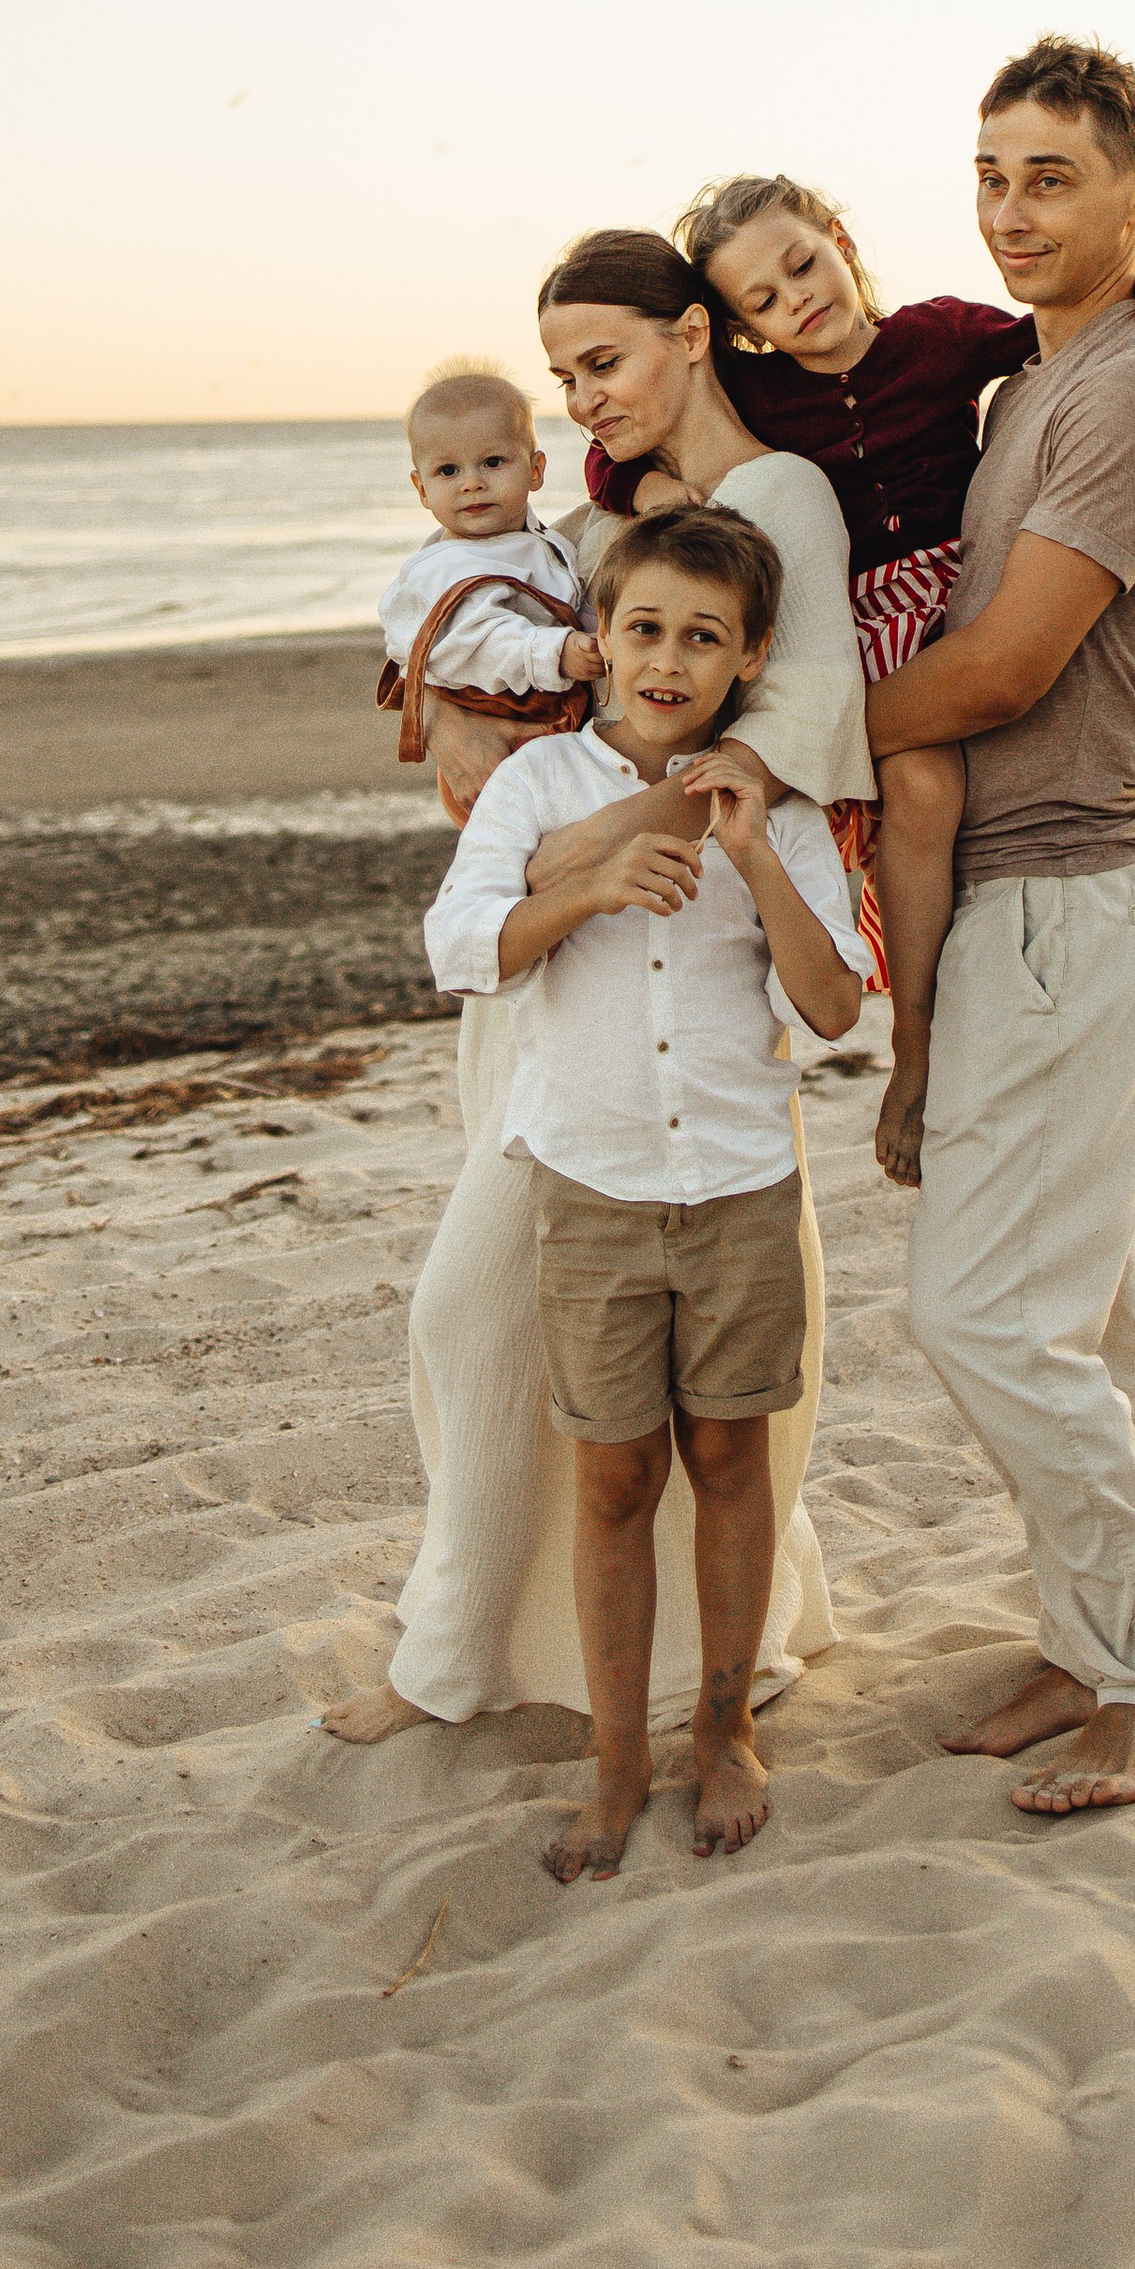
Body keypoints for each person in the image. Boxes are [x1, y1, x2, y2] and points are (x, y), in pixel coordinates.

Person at [323, 231, 867, 1752]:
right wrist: (440, 717)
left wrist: (569, 843)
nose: (583, 398)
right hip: (547, 991)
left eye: (605, 362)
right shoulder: (598, 516)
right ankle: (498, 1650)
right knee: (531, 1345)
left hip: (692, 976)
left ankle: (490, 1657)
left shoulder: (776, 500)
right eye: (564, 375)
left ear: (693, 337)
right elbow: (493, 661)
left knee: (493, 1322)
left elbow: (788, 737)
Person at [863, 37, 1135, 1814]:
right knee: (1085, 1318)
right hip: (1031, 893)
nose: (1011, 211)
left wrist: (780, 740)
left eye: (1052, 178)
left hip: (1066, 892)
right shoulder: (1041, 379)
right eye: (991, 176)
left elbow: (1010, 667)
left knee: (985, 1317)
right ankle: (1095, 1642)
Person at [584, 175, 1135, 1150]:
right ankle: (913, 1042)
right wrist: (646, 490)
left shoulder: (937, 335)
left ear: (838, 241)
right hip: (874, 616)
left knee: (1134, 778)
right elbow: (618, 449)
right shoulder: (759, 391)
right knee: (921, 787)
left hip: (971, 591)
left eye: (803, 266)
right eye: (764, 303)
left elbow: (1063, 335)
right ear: (739, 329)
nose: (797, 302)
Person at [433, 504, 867, 1877]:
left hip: (739, 1185)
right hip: (593, 1188)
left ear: (749, 659)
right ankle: (617, 1763)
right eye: (644, 631)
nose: (668, 661)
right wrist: (593, 885)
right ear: (603, 640)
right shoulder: (540, 787)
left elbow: (833, 1006)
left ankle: (725, 1729)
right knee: (614, 1479)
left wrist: (751, 854)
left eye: (702, 638)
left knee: (731, 1462)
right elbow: (460, 947)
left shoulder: (779, 812)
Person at [376, 363, 605, 822]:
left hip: (547, 723)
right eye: (448, 470)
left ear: (535, 469)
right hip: (498, 736)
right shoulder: (444, 568)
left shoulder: (540, 541)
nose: (471, 482)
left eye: (493, 462)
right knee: (516, 841)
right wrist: (555, 652)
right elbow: (475, 639)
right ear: (422, 489)